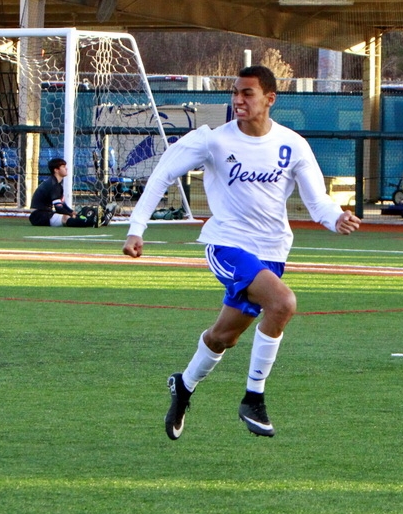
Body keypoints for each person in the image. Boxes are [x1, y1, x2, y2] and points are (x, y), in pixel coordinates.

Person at [122, 65, 361, 440]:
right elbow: (163, 173)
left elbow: (318, 203)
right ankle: (254, 398)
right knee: (282, 303)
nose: (237, 100)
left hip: (272, 252)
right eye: (235, 92)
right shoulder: (213, 140)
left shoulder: (292, 145)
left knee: (223, 338)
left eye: (247, 93)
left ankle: (183, 385)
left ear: (270, 98)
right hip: (227, 244)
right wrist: (137, 229)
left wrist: (336, 219)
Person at [29, 157, 116, 228]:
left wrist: (72, 212)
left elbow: (62, 204)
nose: (66, 168)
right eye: (63, 166)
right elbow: (58, 208)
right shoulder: (53, 184)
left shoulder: (56, 183)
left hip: (44, 214)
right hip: (39, 216)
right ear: (56, 170)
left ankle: (99, 220)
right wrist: (71, 214)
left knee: (72, 216)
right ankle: (95, 221)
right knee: (65, 218)